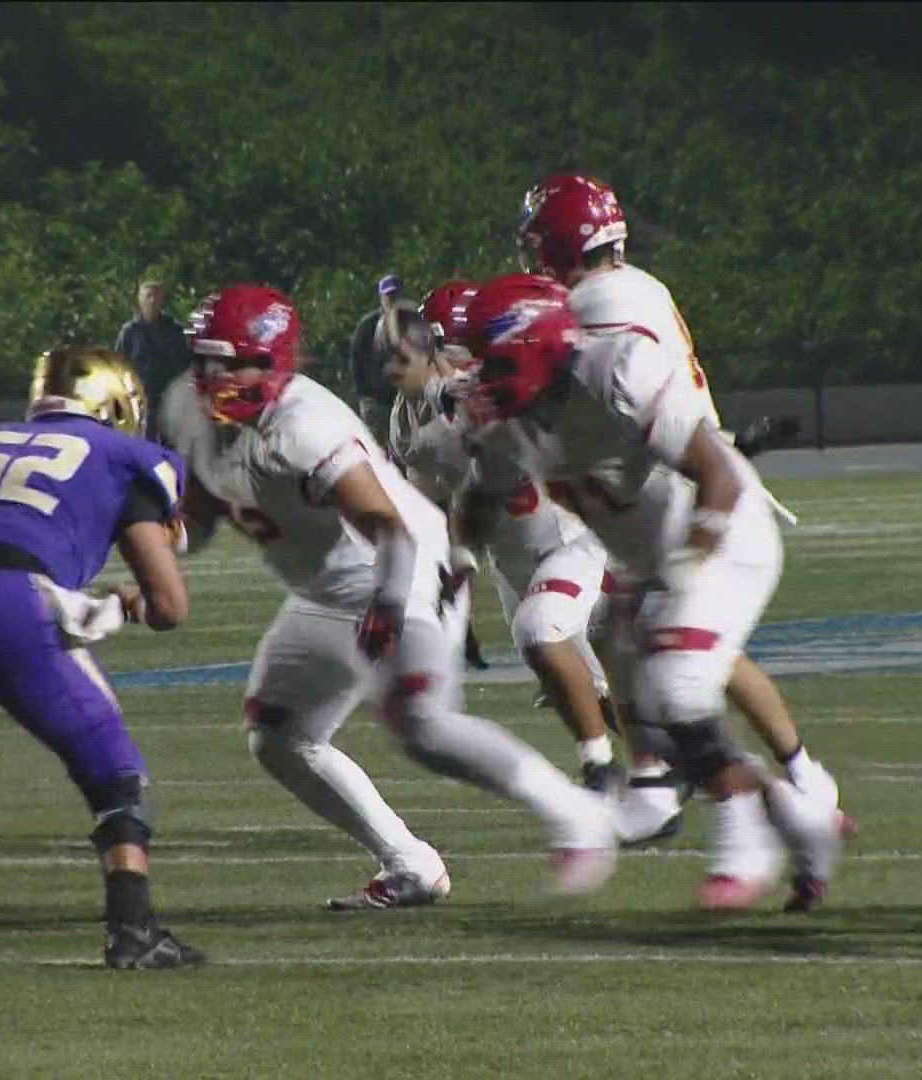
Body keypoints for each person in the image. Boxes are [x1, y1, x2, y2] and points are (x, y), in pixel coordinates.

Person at [161, 284, 616, 909]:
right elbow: (207, 509)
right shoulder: (188, 409)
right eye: (204, 360)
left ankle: (577, 814)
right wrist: (160, 544)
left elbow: (387, 525)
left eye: (229, 361)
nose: (213, 376)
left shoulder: (306, 425)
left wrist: (387, 602)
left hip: (401, 567)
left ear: (272, 361)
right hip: (325, 590)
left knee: (422, 727)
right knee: (279, 735)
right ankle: (410, 865)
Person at [453, 273, 844, 912]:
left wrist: (693, 564)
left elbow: (716, 471)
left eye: (490, 360)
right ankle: (803, 823)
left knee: (678, 689)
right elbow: (478, 497)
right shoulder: (510, 425)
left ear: (535, 343)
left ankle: (745, 844)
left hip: (723, 533)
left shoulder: (615, 370)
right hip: (647, 559)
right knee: (663, 719)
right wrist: (457, 557)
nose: (479, 378)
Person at [0, 346, 202, 969]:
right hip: (9, 598)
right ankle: (133, 930)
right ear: (116, 404)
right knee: (115, 774)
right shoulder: (124, 458)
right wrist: (129, 605)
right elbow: (170, 606)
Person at [384, 280, 619, 791]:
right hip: (511, 560)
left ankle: (613, 772)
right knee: (584, 684)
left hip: (568, 540)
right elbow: (431, 498)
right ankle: (658, 768)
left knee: (558, 645)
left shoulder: (503, 386)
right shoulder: (409, 420)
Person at [113, 280, 195, 417]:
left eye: (156, 297)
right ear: (140, 299)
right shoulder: (130, 332)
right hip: (141, 399)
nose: (152, 301)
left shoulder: (173, 330)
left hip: (168, 399)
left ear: (162, 300)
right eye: (148, 296)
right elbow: (119, 367)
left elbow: (184, 364)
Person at [346, 274, 406, 447]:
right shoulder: (367, 326)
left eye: (395, 295)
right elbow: (356, 359)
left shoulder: (409, 321)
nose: (392, 300)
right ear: (381, 298)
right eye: (388, 296)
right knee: (377, 447)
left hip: (402, 397)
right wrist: (364, 392)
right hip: (375, 399)